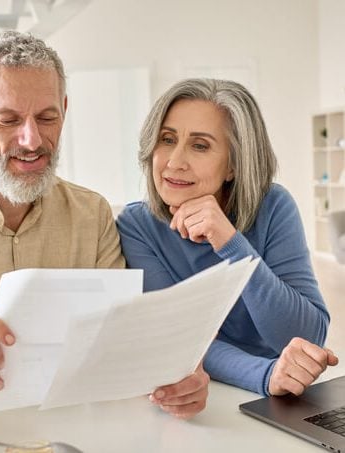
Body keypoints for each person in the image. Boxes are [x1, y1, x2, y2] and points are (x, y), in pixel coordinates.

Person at [0, 31, 208, 437]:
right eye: (7, 119)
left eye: (47, 117)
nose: (31, 140)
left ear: (64, 111)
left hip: (80, 437)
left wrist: (175, 377)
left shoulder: (92, 214)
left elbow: (122, 347)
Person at [117, 78, 338, 398]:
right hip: (198, 390)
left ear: (233, 164)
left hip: (276, 394)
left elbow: (306, 336)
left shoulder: (274, 206)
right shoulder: (137, 225)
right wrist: (264, 374)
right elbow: (178, 336)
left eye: (200, 145)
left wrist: (232, 245)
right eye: (167, 139)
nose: (174, 162)